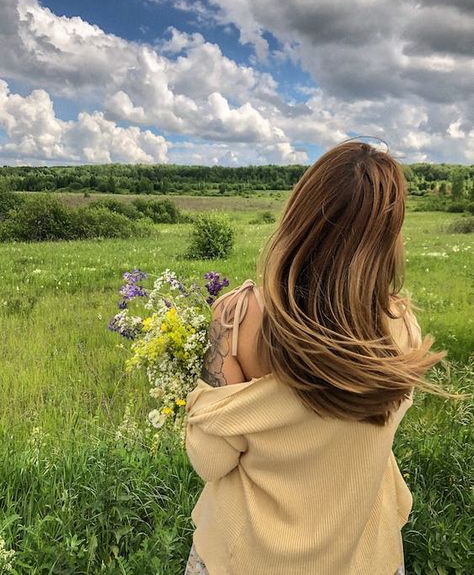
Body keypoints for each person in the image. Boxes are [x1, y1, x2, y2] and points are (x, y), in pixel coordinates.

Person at [184, 140, 458, 575]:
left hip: (245, 558)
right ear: (388, 237)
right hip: (363, 559)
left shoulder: (238, 318)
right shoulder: (401, 329)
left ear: (299, 215)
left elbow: (210, 461)